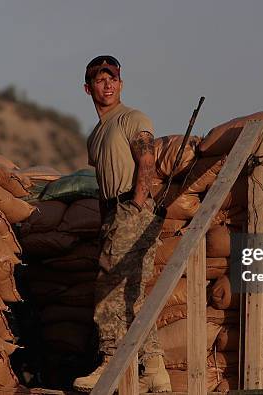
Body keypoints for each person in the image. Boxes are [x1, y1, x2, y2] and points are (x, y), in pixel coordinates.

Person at [72, 55, 171, 393]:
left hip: (132, 207)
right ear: (88, 88)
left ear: (121, 84)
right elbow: (104, 181)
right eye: (100, 80)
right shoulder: (96, 136)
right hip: (114, 211)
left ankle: (110, 361)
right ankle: (154, 368)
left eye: (112, 78)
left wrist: (136, 204)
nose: (108, 84)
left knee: (109, 286)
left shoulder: (132, 118)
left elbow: (147, 160)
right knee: (133, 291)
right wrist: (108, 219)